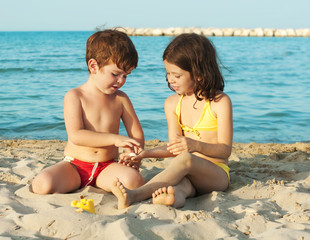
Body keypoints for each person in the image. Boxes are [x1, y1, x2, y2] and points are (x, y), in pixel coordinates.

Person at [112, 33, 233, 209]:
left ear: (198, 74)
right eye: (168, 73)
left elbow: (225, 151)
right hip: (187, 174)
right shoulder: (172, 103)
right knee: (178, 189)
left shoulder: (220, 102)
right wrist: (145, 153)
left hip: (215, 175)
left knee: (186, 159)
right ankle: (172, 198)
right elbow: (173, 148)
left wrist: (196, 146)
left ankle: (135, 195)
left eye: (176, 75)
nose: (170, 79)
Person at [32, 29, 145, 194]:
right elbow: (76, 135)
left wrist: (134, 154)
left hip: (107, 166)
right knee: (43, 184)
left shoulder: (121, 99)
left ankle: (103, 183)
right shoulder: (75, 96)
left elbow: (136, 134)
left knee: (134, 180)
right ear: (93, 66)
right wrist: (115, 139)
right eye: (115, 74)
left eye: (126, 76)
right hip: (76, 166)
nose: (121, 81)